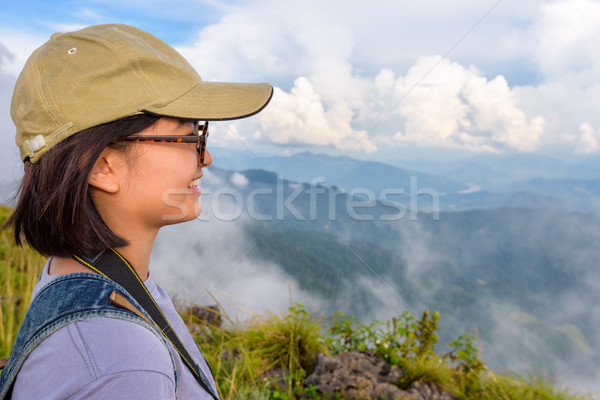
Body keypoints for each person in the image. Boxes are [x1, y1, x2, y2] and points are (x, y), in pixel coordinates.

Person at [0, 24, 272, 399]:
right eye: (190, 136)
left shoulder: (85, 276)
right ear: (102, 166)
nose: (205, 157)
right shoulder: (122, 362)